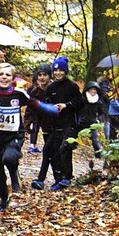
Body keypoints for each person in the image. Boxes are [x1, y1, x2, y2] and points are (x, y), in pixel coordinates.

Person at [0, 63, 58, 211]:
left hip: (14, 135)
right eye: (1, 74)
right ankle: (4, 198)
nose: (4, 77)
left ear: (13, 78)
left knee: (9, 157)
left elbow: (34, 104)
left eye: (8, 75)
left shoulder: (18, 93)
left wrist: (50, 109)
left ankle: (13, 172)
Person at [43, 56, 83, 191]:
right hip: (55, 124)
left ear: (65, 71)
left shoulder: (72, 86)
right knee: (53, 150)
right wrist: (52, 108)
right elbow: (46, 104)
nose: (58, 73)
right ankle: (58, 179)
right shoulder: (50, 88)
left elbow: (80, 103)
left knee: (64, 148)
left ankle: (67, 176)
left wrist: (66, 105)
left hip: (70, 124)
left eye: (61, 70)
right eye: (56, 70)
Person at [24, 63, 52, 154]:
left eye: (45, 75)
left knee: (47, 130)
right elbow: (29, 104)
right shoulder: (33, 89)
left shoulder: (53, 88)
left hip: (48, 114)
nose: (42, 77)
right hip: (36, 112)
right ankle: (33, 145)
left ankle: (48, 146)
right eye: (40, 75)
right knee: (35, 127)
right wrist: (27, 123)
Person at [78, 81, 106, 158]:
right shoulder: (82, 99)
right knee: (73, 137)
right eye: (92, 89)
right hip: (81, 122)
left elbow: (102, 112)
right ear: (88, 90)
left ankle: (98, 156)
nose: (93, 91)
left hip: (92, 123)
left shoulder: (98, 102)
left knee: (95, 141)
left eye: (95, 90)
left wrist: (99, 119)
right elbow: (76, 109)